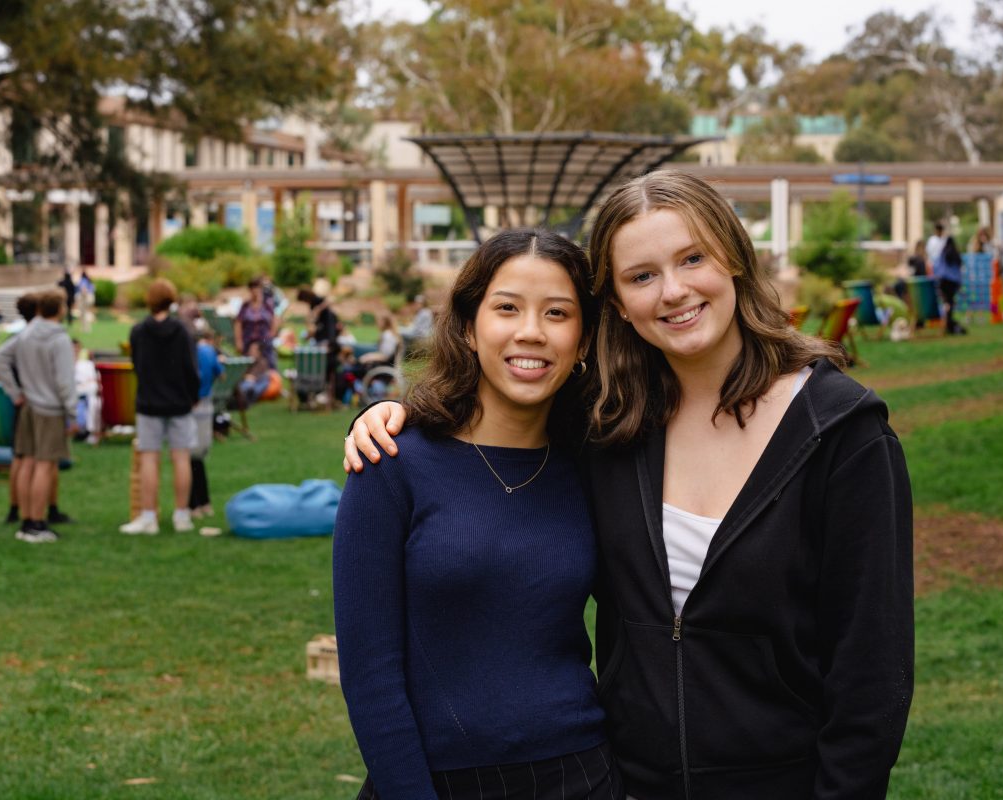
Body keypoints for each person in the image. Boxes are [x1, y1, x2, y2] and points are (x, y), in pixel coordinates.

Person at [346, 171, 914, 799]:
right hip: (627, 781)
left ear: (733, 257)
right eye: (641, 275)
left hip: (777, 780)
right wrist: (386, 414)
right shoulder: (615, 427)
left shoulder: (839, 433)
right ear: (616, 302)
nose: (673, 291)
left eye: (692, 258)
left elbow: (873, 675)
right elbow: (491, 431)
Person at [334, 228, 619, 800]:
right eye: (507, 308)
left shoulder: (597, 466)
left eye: (558, 313)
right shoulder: (391, 460)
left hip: (581, 774)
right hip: (434, 781)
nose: (531, 332)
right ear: (468, 326)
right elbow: (370, 675)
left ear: (585, 339)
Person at [120, 278, 201, 535]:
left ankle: (148, 516)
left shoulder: (138, 330)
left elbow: (137, 365)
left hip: (150, 401)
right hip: (178, 401)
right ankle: (181, 515)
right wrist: (193, 394)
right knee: (181, 457)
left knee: (150, 458)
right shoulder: (182, 330)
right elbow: (191, 367)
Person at [0, 289, 78, 544]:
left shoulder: (27, 334)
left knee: (27, 461)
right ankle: (37, 523)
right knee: (45, 464)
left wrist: (15, 392)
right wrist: (73, 412)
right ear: (60, 309)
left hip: (29, 406)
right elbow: (65, 380)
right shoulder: (59, 339)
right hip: (50, 409)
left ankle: (26, 521)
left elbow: (0, 355)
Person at [190, 328, 223, 518]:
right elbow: (222, 374)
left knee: (189, 458)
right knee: (198, 458)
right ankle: (204, 504)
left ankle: (193, 506)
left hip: (190, 407)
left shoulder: (193, 353)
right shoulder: (209, 352)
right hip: (206, 406)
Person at [296, 286, 340, 402]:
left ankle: (322, 389)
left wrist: (318, 309)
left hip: (328, 335)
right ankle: (312, 390)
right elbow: (313, 323)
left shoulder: (318, 300)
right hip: (321, 335)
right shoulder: (311, 305)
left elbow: (330, 299)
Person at [234, 277, 276, 367]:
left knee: (269, 365)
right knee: (250, 365)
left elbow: (274, 321)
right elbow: (238, 323)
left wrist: (270, 335)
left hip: (264, 341)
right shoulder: (245, 306)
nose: (255, 291)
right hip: (248, 340)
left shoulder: (267, 305)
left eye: (257, 288)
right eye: (253, 288)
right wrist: (238, 341)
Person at [934, 235, 967, 335]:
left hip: (943, 281)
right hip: (953, 282)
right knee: (950, 302)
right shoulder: (956, 254)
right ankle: (949, 321)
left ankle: (947, 322)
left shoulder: (943, 253)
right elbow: (959, 270)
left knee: (945, 302)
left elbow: (938, 267)